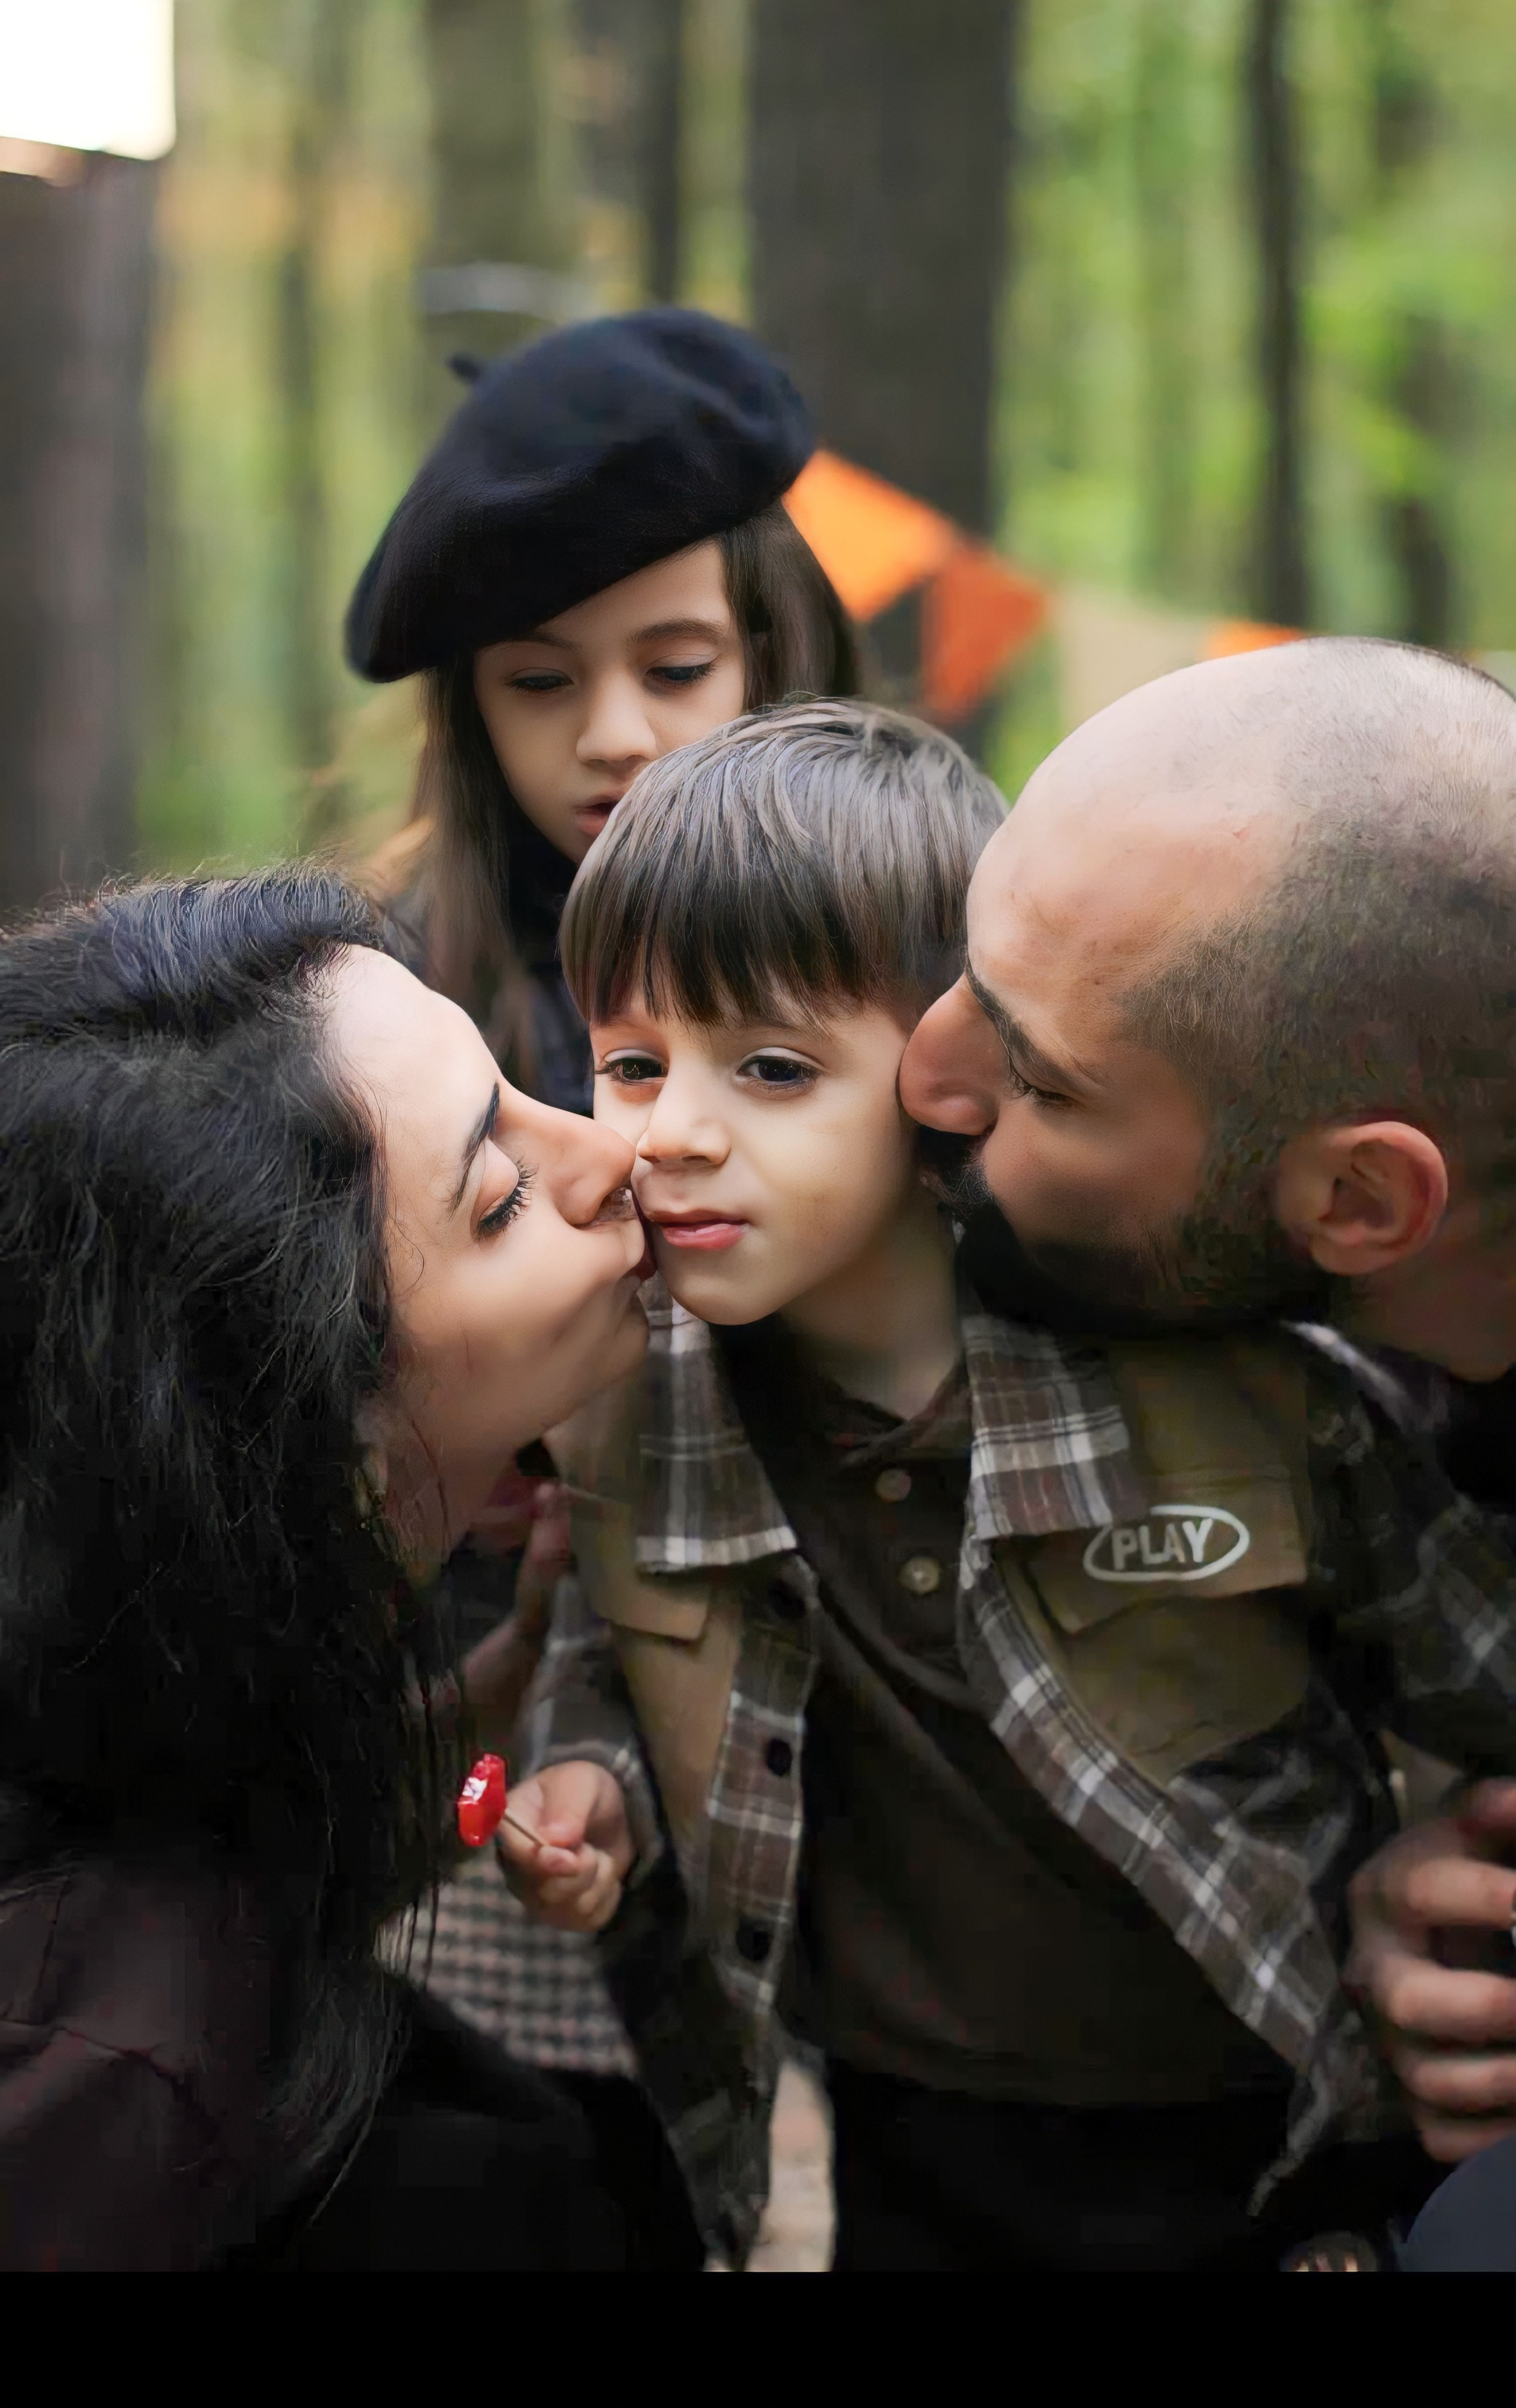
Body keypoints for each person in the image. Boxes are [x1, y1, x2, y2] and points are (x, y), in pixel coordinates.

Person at [499, 698, 1516, 2272]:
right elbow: (610, 1652)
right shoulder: (629, 1400)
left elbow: (1476, 1658)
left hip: (1256, 2118)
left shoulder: (1222, 1388)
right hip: (906, 2121)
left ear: (943, 1075)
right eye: (630, 1062)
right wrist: (589, 1788)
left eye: (770, 1067)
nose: (671, 1133)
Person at [344, 312, 857, 2260]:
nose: (615, 733)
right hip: (489, 1731)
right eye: (539, 678)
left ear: (777, 650)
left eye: (677, 663)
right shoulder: (395, 996)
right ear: (466, 702)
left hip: (831, 1721)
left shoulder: (905, 944)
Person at [0, 867, 656, 2272]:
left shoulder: (159, 1639)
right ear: (303, 1426)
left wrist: (495, 1693)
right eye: (501, 1200)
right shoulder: (107, 2071)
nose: (608, 1154)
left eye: (517, 1089)